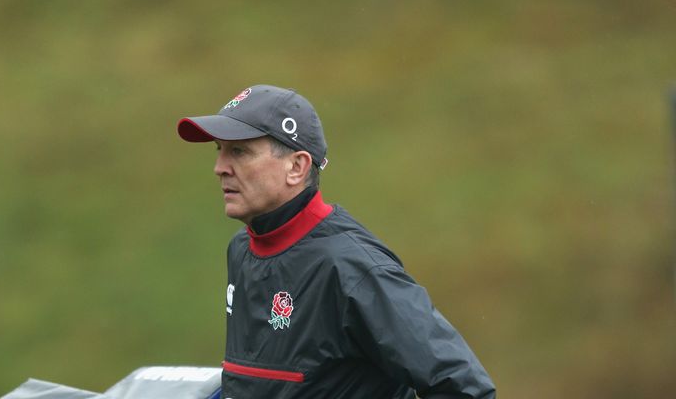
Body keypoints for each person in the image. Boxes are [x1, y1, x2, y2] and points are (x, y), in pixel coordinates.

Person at [176, 85, 496, 398]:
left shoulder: (353, 269)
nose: (220, 168)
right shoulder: (242, 249)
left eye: (239, 151)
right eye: (219, 150)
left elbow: (464, 387)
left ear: (296, 167)